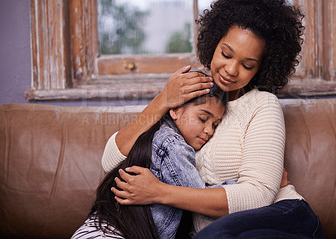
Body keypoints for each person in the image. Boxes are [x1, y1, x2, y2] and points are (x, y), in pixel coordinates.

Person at [102, 0, 324, 238]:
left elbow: (258, 195)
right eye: (226, 54)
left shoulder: (262, 104)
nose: (231, 70)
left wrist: (159, 192)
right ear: (213, 44)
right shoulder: (187, 98)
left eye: (247, 65)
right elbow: (110, 161)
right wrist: (162, 101)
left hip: (283, 217)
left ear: (262, 68)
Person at [72, 80, 228, 239]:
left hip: (92, 230)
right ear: (175, 110)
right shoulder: (173, 146)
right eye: (202, 118)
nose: (209, 131)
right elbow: (202, 201)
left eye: (215, 124)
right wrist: (238, 187)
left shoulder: (155, 134)